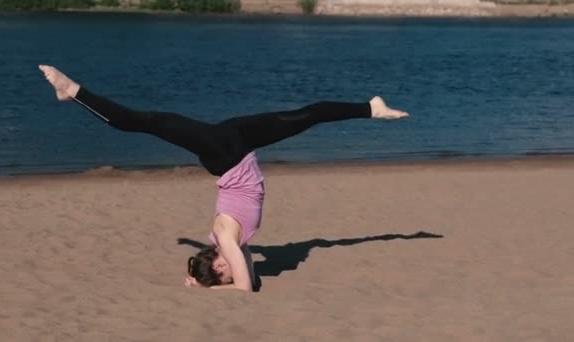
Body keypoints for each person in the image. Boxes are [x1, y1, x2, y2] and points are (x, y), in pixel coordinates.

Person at [39, 64, 409, 292]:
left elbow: (244, 288)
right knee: (303, 116)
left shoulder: (228, 244)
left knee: (148, 122)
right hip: (237, 146)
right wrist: (203, 279)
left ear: (219, 265)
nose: (234, 270)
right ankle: (370, 109)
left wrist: (206, 285)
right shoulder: (236, 249)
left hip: (226, 153)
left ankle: (72, 91)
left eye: (224, 273)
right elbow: (249, 279)